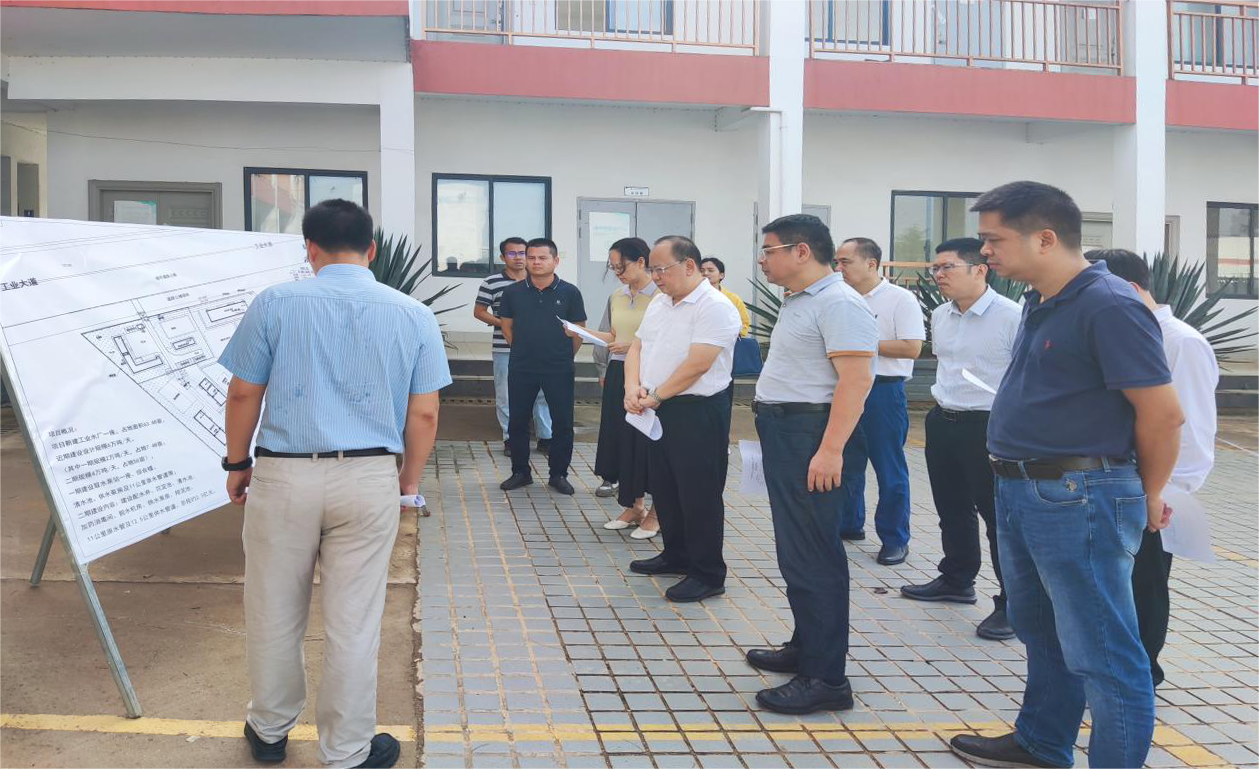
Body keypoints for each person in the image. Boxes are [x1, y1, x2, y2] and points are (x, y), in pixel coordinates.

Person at [950, 182, 1183, 769]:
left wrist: (1152, 493)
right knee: (1041, 628)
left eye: (994, 240)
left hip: (1079, 495)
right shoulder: (1041, 298)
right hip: (1023, 488)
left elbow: (1162, 414)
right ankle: (1042, 741)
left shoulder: (1109, 305)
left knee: (1103, 651)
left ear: (1046, 238)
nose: (985, 252)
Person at [219, 199, 451, 769]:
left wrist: (237, 463)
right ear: (372, 249)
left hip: (284, 474)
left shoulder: (275, 303)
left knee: (273, 610)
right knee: (354, 620)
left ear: (310, 248)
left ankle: (269, 730)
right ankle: (346, 749)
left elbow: (244, 392)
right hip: (369, 477)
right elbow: (424, 414)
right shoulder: (412, 314)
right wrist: (407, 484)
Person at [742, 214, 877, 715]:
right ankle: (806, 646)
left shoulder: (840, 303)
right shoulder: (801, 299)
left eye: (769, 250)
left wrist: (830, 449)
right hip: (787, 430)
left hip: (811, 434)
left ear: (801, 251)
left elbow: (856, 381)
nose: (762, 260)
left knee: (814, 554)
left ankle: (826, 678)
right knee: (796, 549)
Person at [1090, 248, 1219, 688]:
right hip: (1108, 482)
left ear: (1127, 289)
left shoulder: (1182, 342)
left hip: (1151, 491)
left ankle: (1141, 676)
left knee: (1142, 587)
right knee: (1112, 587)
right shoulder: (1121, 334)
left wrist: (1159, 492)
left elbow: (1191, 429)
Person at [900, 238, 1021, 642]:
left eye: (947, 267)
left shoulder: (1012, 317)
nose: (939, 275)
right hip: (943, 420)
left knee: (997, 517)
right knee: (951, 508)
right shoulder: (941, 315)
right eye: (935, 268)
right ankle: (956, 578)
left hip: (989, 426)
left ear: (979, 270)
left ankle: (1012, 604)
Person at [624, 235, 741, 603]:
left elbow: (698, 364)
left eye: (662, 269)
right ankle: (676, 554)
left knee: (699, 493)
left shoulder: (715, 306)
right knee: (666, 486)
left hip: (696, 410)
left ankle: (708, 573)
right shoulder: (660, 302)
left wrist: (656, 395)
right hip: (657, 406)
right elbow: (637, 346)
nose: (656, 277)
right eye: (652, 269)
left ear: (689, 266)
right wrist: (632, 387)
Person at [834, 237, 925, 565]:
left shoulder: (900, 299)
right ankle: (848, 523)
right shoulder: (839, 298)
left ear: (871, 264)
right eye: (837, 262)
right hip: (844, 388)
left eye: (846, 262)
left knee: (889, 467)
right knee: (845, 460)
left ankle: (894, 539)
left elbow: (912, 348)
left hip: (883, 391)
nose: (839, 268)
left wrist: (861, 344)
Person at [497, 238, 586, 495]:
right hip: (522, 366)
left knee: (562, 422)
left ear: (555, 261)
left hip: (558, 367)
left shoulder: (570, 292)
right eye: (531, 257)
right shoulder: (513, 292)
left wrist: (563, 356)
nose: (536, 262)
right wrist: (523, 349)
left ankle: (558, 474)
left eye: (542, 258)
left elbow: (578, 330)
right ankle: (520, 472)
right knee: (518, 421)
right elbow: (507, 326)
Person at [590, 237, 660, 539]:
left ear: (642, 261)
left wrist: (631, 346)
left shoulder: (662, 295)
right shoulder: (616, 296)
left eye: (621, 266)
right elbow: (612, 336)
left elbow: (666, 340)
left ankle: (658, 512)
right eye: (613, 267)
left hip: (651, 374)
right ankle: (634, 506)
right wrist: (578, 331)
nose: (617, 272)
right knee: (623, 439)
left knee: (648, 442)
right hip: (620, 370)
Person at [474, 237, 553, 456]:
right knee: (506, 395)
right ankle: (511, 439)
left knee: (542, 393)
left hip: (539, 349)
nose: (518, 258)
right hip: (504, 348)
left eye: (522, 253)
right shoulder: (491, 282)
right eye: (512, 253)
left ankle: (546, 437)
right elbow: (479, 312)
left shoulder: (539, 279)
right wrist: (504, 324)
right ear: (503, 257)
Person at [699, 257, 751, 337]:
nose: (705, 273)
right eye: (701, 271)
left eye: (710, 270)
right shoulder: (691, 296)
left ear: (721, 275)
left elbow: (744, 323)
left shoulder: (733, 298)